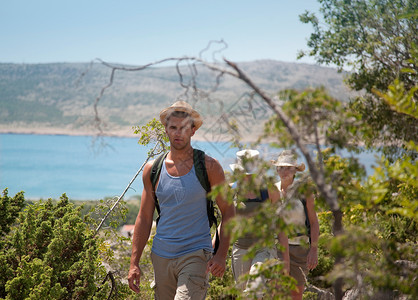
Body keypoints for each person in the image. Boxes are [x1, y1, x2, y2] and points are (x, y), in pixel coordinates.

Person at [128, 101, 235, 299]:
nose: (178, 133)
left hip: (196, 254)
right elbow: (144, 217)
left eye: (184, 128)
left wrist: (221, 254)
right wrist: (134, 263)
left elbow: (229, 211)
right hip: (161, 256)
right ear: (166, 130)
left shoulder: (209, 167)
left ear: (193, 130)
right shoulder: (153, 170)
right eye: (173, 128)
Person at [229, 149, 290, 299]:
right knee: (244, 295)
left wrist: (286, 261)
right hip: (240, 249)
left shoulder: (269, 191)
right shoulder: (232, 191)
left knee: (254, 290)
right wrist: (214, 248)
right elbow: (225, 223)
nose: (247, 178)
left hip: (264, 248)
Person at [273, 150, 320, 300]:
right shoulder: (272, 190)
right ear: (276, 169)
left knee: (296, 294)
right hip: (277, 248)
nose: (284, 171)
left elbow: (313, 223)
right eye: (281, 167)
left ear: (295, 170)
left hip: (300, 250)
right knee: (276, 292)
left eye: (288, 167)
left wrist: (313, 249)